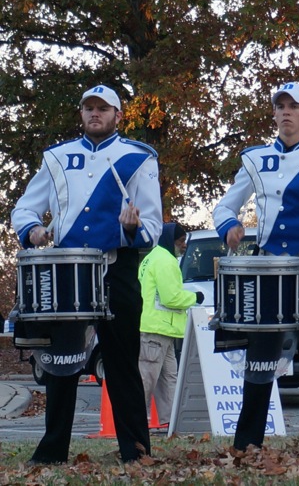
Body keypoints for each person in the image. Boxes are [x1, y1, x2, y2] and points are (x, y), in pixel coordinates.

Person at [11, 84, 162, 464]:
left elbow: (154, 225)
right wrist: (32, 230)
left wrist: (131, 228)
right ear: (82, 113)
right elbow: (25, 208)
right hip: (66, 270)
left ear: (118, 114)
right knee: (62, 364)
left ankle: (135, 450)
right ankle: (52, 451)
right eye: (89, 108)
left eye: (103, 108)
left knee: (123, 361)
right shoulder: (57, 158)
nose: (95, 113)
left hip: (117, 267)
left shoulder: (139, 157)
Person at [212, 81, 299, 458]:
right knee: (260, 359)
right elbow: (225, 208)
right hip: (268, 270)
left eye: (295, 106)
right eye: (281, 106)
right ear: (274, 113)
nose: (287, 112)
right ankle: (246, 445)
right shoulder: (254, 159)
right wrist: (230, 228)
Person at [138, 222, 204, 428]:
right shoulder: (166, 262)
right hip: (156, 329)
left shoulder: (151, 258)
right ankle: (136, 422)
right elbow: (170, 298)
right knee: (147, 380)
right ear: (170, 241)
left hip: (158, 329)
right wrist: (195, 297)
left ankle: (171, 423)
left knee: (167, 379)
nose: (184, 245)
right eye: (181, 241)